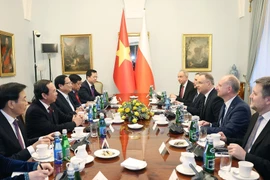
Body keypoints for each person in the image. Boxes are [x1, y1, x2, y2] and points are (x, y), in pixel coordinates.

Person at [219, 76, 270, 179]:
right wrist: (227, 139)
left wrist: (245, 156)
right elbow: (247, 143)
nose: (250, 96)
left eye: (255, 94)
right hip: (241, 171)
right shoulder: (256, 116)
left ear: (268, 100)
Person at [0, 83, 53, 179]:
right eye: (24, 99)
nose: (27, 103)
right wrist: (27, 177)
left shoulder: (16, 117)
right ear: (11, 104)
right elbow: (5, 163)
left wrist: (40, 140)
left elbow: (22, 143)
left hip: (25, 166)